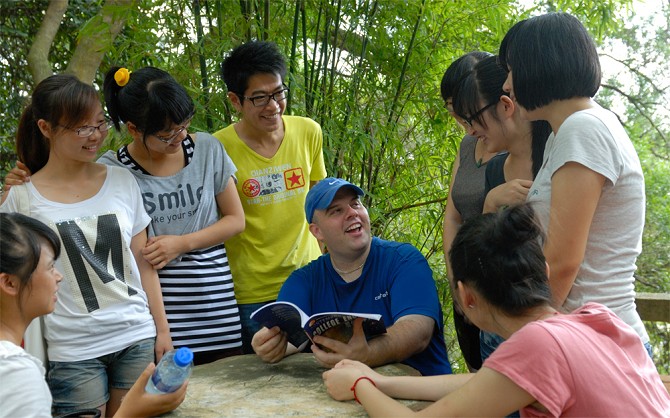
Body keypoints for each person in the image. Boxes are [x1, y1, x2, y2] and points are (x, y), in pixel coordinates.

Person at [322, 205, 670, 417]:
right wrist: (383, 383)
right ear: (544, 271)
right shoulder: (595, 319)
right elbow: (484, 384)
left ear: (466, 297)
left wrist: (360, 385)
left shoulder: (538, 344)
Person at [0, 74, 170, 417]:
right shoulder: (21, 197)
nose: (95, 135)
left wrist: (162, 330)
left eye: (100, 123)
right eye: (82, 128)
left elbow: (142, 261)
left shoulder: (121, 180)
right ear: (45, 128)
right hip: (73, 349)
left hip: (135, 335)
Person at [498, 12, 651, 352]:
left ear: (540, 64)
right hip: (586, 336)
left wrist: (518, 335)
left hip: (599, 344)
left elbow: (562, 263)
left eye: (512, 69)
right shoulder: (566, 132)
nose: (507, 85)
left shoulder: (583, 128)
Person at [99, 66, 245, 365]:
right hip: (159, 315)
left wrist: (181, 244)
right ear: (134, 129)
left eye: (184, 125)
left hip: (217, 307)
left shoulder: (207, 149)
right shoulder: (114, 171)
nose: (180, 136)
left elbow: (235, 220)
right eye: (167, 134)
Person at [252, 178, 452, 376]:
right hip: (347, 392)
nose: (352, 213)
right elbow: (290, 337)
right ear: (317, 231)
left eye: (355, 204)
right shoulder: (303, 281)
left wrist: (369, 353)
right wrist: (271, 343)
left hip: (423, 390)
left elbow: (418, 331)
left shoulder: (403, 260)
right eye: (336, 211)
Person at [0, 212, 187, 418]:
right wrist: (129, 413)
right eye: (50, 267)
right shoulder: (15, 373)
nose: (59, 276)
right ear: (9, 283)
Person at [213, 40, 327, 353]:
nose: (273, 106)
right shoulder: (218, 148)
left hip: (309, 281)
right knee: (264, 376)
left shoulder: (308, 132)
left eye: (278, 93)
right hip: (254, 294)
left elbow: (318, 207)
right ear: (235, 100)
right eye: (260, 98)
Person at [451, 54, 551, 363]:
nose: (470, 131)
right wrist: (490, 203)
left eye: (472, 119)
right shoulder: (495, 169)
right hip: (498, 328)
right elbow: (490, 253)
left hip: (546, 328)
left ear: (506, 106)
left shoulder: (553, 158)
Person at [440, 51, 497, 372]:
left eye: (462, 107)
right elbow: (453, 215)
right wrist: (454, 277)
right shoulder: (467, 145)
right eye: (451, 108)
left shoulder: (513, 144)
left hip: (499, 286)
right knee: (476, 372)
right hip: (465, 282)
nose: (459, 117)